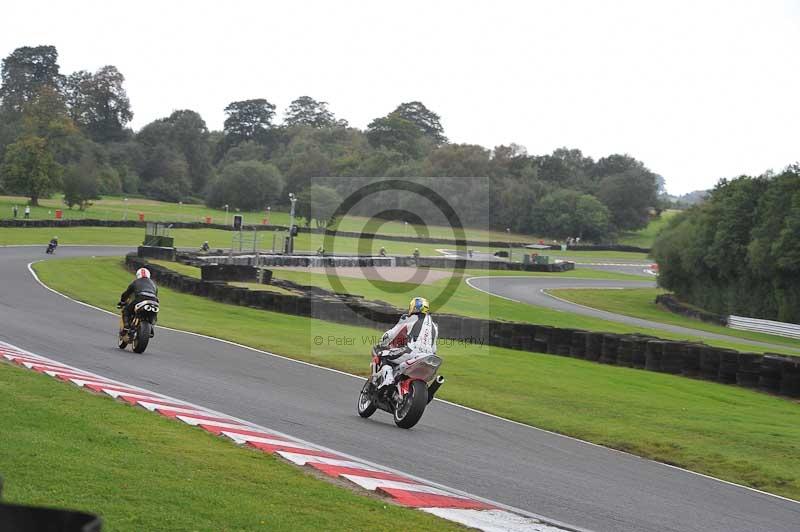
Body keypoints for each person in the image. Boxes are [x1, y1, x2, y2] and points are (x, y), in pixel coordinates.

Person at [372, 297, 438, 388]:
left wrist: (382, 343)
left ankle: (388, 380)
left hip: (412, 352)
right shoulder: (434, 326)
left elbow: (390, 334)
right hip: (429, 357)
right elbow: (434, 348)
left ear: (413, 307)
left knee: (382, 355)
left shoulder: (409, 318)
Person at [118, 268, 159, 335]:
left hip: (141, 298)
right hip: (153, 300)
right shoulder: (154, 284)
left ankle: (126, 327)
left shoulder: (135, 282)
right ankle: (151, 326)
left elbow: (126, 294)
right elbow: (155, 294)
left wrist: (122, 301)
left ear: (138, 275)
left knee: (126, 310)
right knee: (154, 313)